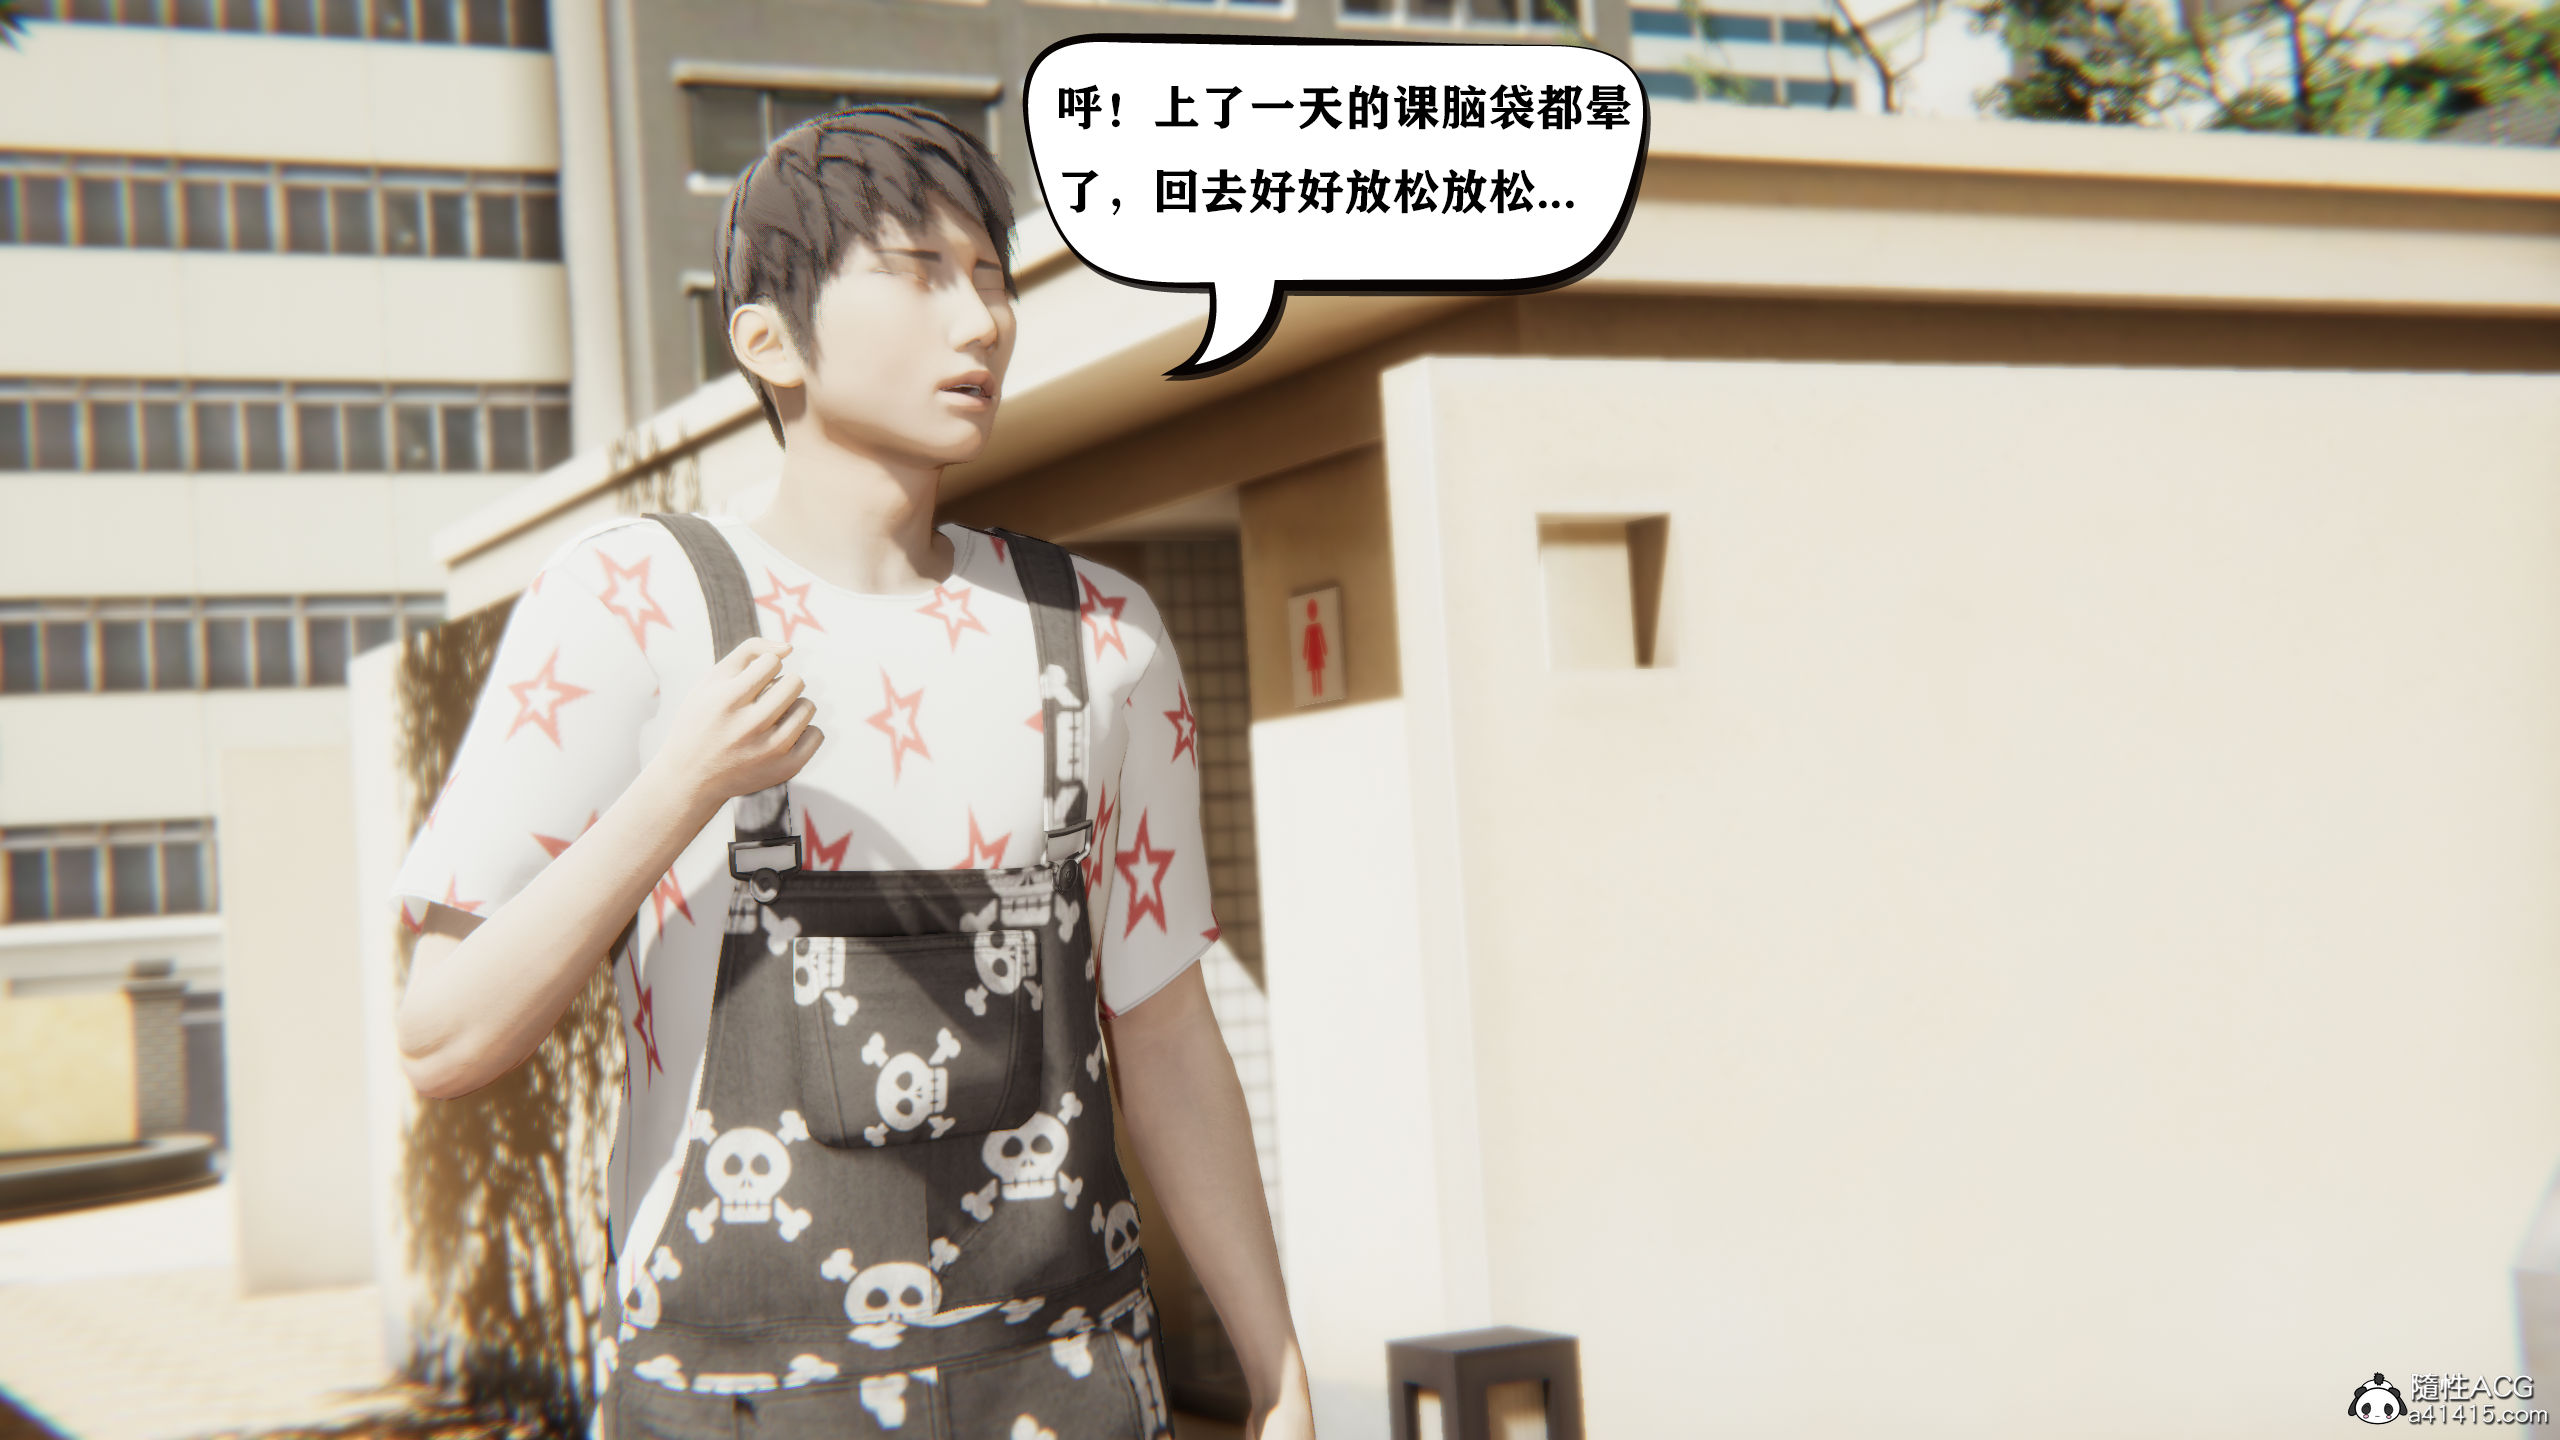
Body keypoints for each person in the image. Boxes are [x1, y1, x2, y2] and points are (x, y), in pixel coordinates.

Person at [392, 104, 1314, 1439]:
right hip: (736, 1398)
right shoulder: (635, 603)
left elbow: (1164, 1032)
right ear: (768, 338)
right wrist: (681, 789)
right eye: (922, 272)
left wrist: (1279, 1375)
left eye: (991, 276)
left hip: (1066, 1379)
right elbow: (442, 1037)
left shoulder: (1099, 636)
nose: (981, 320)